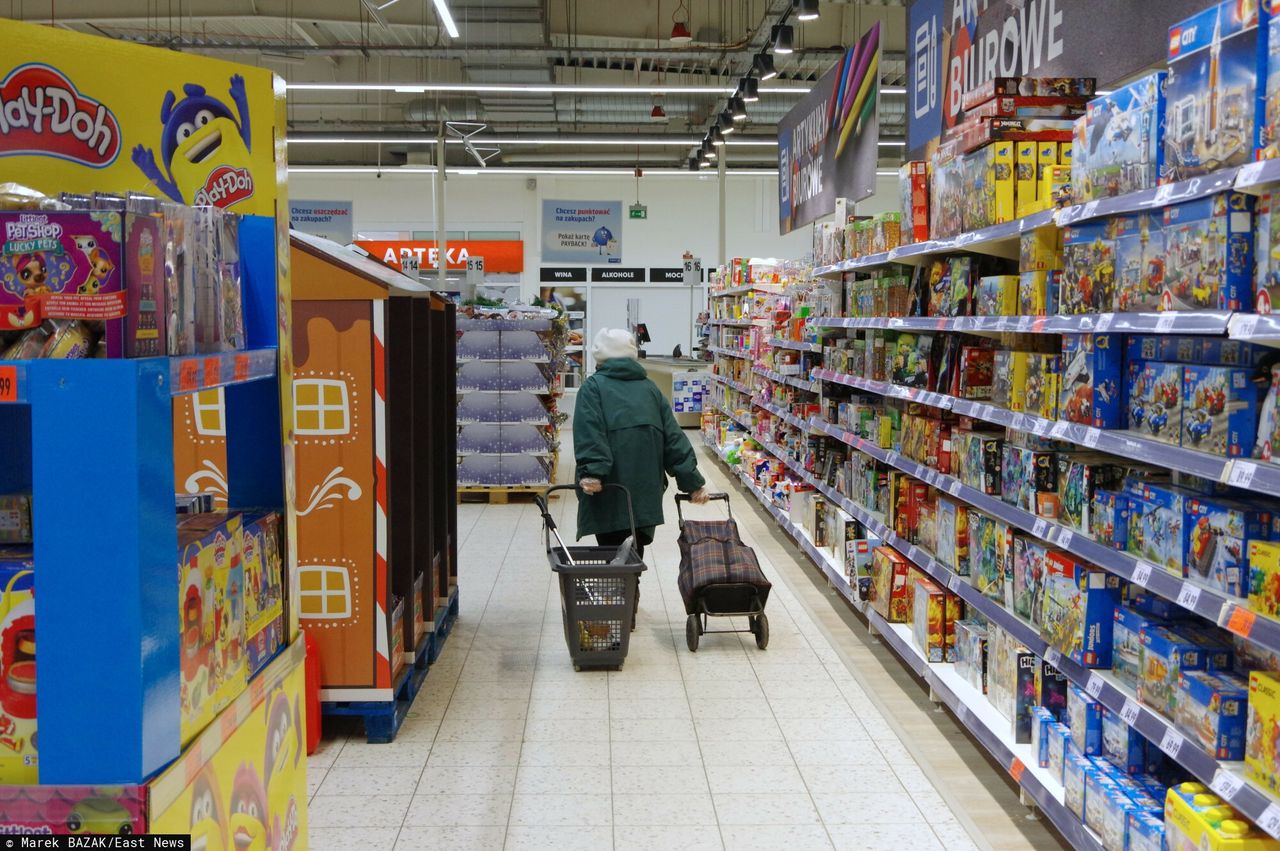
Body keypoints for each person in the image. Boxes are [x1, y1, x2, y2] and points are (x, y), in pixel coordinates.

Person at [574, 328, 709, 558]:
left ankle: (619, 593)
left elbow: (590, 433)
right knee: (635, 555)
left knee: (610, 557)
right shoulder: (650, 389)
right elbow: (673, 439)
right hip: (645, 494)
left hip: (607, 490)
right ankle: (630, 591)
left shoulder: (592, 388)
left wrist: (593, 472)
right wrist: (692, 482)